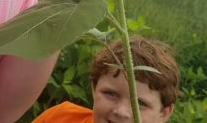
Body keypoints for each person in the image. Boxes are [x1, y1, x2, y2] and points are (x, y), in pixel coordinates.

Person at [33, 36, 180, 123]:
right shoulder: (61, 117)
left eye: (140, 103)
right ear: (93, 88)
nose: (121, 112)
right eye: (110, 94)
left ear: (164, 113)